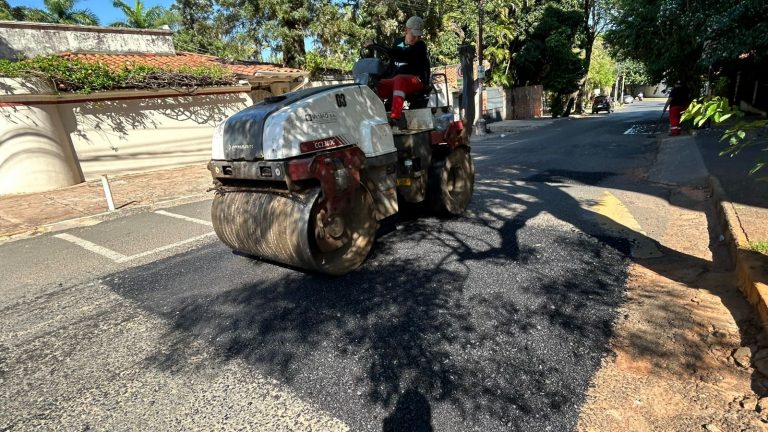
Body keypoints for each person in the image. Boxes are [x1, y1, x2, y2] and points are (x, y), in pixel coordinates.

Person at [365, 16, 431, 128]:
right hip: (396, 81)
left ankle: (395, 118)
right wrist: (378, 78)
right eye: (414, 34)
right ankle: (373, 117)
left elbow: (401, 56)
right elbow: (392, 62)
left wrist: (376, 46)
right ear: (406, 30)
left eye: (418, 35)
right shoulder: (398, 42)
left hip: (415, 80)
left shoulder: (420, 45)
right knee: (375, 85)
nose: (416, 38)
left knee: (399, 79)